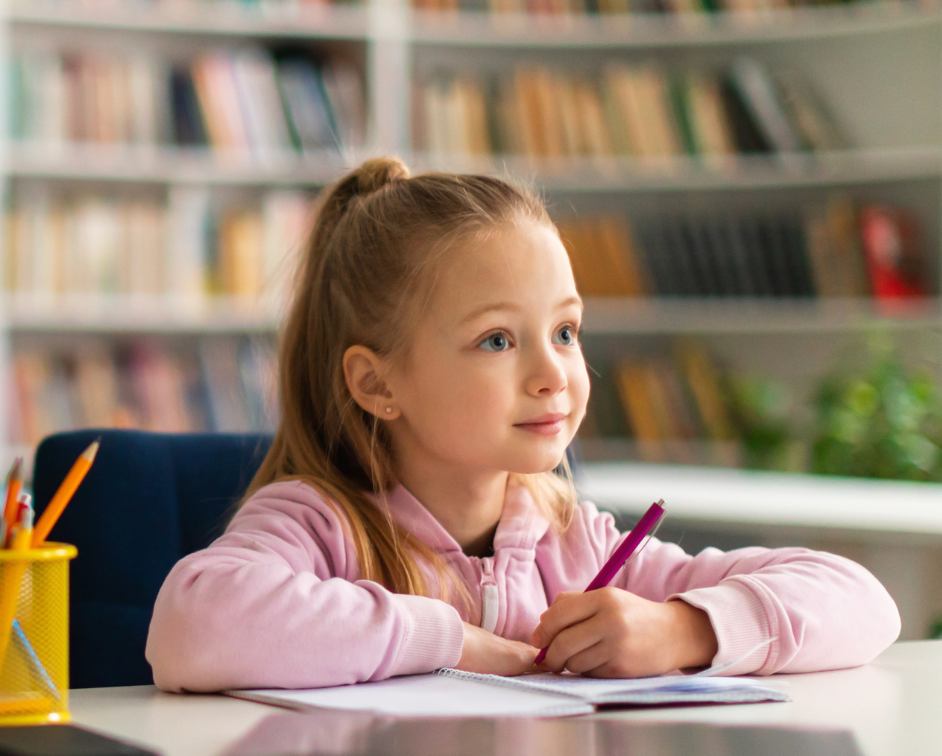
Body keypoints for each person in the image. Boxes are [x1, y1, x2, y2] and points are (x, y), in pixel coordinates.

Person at [146, 159, 901, 692]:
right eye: (498, 341)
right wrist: (451, 643)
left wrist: (684, 630)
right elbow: (195, 623)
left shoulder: (575, 544)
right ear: (376, 383)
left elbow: (864, 602)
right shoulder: (320, 526)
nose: (554, 375)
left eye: (566, 332)